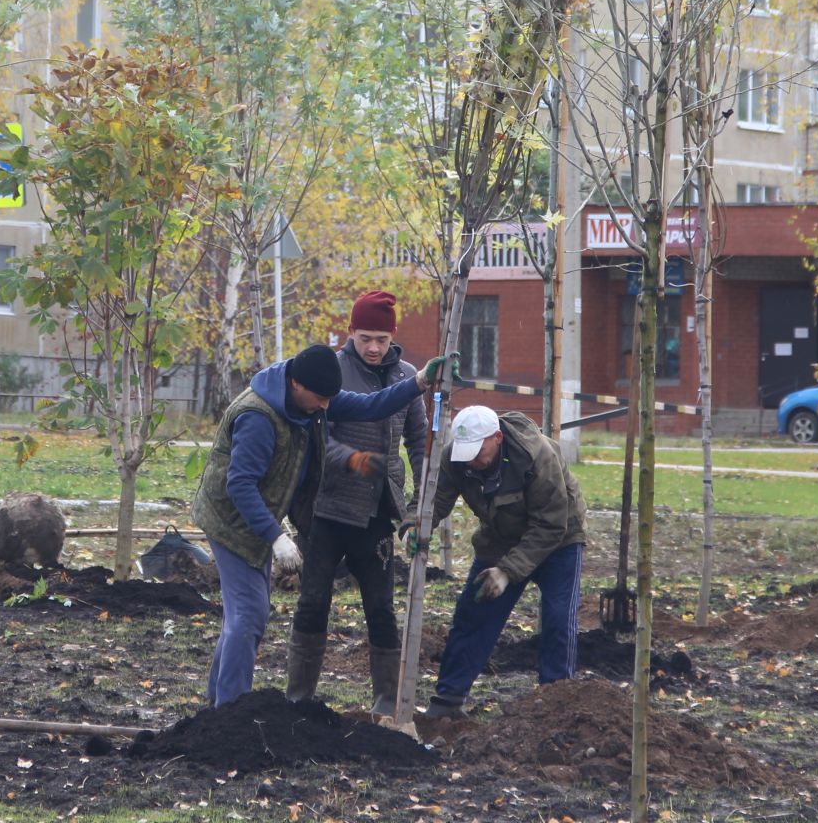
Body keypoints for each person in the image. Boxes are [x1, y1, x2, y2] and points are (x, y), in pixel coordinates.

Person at [190, 342, 439, 707]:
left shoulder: (313, 397)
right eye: (321, 398)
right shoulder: (258, 416)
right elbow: (240, 484)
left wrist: (418, 382)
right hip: (231, 521)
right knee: (248, 616)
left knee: (243, 615)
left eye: (329, 398)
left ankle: (218, 703)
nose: (326, 406)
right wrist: (276, 537)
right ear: (295, 384)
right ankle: (229, 710)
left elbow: (371, 407)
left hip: (259, 518)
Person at [284, 290, 427, 715]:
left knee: (381, 606)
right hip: (327, 509)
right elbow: (314, 435)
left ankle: (387, 702)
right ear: (352, 332)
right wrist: (349, 459)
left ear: (392, 337)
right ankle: (299, 700)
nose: (373, 347)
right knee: (313, 600)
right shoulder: (333, 371)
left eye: (381, 339)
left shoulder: (407, 375)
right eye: (365, 337)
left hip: (379, 511)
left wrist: (421, 501)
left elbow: (419, 440)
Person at [419, 404, 586, 714]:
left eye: (478, 450)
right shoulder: (457, 459)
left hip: (558, 538)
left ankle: (554, 705)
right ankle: (448, 700)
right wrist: (413, 525)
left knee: (558, 619)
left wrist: (507, 572)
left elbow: (551, 525)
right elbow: (435, 501)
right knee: (473, 611)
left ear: (497, 438)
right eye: (465, 450)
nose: (471, 459)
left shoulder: (537, 457)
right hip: (499, 537)